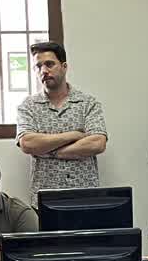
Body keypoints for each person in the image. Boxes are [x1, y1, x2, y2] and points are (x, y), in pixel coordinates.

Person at [14, 42, 108, 193]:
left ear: (64, 67)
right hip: (45, 196)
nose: (44, 71)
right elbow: (27, 143)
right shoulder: (28, 106)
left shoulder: (88, 103)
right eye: (38, 66)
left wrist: (50, 151)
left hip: (84, 194)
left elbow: (97, 143)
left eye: (49, 64)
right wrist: (74, 135)